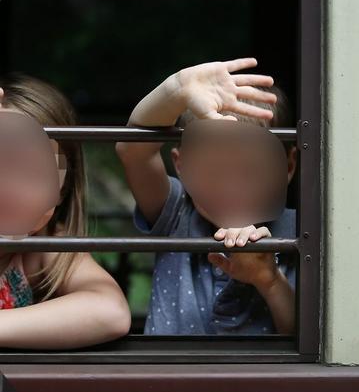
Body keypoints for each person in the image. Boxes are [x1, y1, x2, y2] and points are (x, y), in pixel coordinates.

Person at [115, 58, 298, 335]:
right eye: (212, 172)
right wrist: (177, 89)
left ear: (288, 166)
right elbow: (133, 152)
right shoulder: (175, 211)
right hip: (169, 377)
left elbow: (309, 336)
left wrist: (270, 281)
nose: (230, 187)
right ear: (181, 166)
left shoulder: (301, 231)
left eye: (250, 172)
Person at [0, 75, 132, 348]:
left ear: (61, 190)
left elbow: (110, 313)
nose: (8, 187)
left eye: (32, 173)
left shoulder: (41, 246)